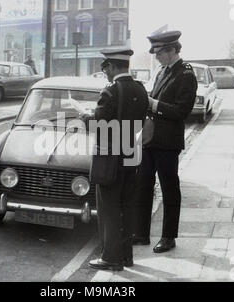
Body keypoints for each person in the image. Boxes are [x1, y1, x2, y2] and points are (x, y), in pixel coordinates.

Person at [132, 28, 198, 253]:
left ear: (171, 50)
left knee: (170, 188)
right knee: (143, 185)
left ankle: (169, 237)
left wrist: (154, 104)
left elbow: (182, 111)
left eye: (159, 52)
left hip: (168, 142)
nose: (156, 56)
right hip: (151, 138)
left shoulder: (186, 74)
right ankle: (140, 233)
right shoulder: (162, 71)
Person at [86, 48, 149, 271]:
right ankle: (126, 257)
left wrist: (87, 117)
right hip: (131, 153)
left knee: (109, 208)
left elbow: (99, 124)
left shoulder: (110, 92)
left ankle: (111, 258)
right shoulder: (141, 89)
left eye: (106, 69)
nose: (105, 73)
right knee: (127, 205)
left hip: (111, 157)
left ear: (111, 67)